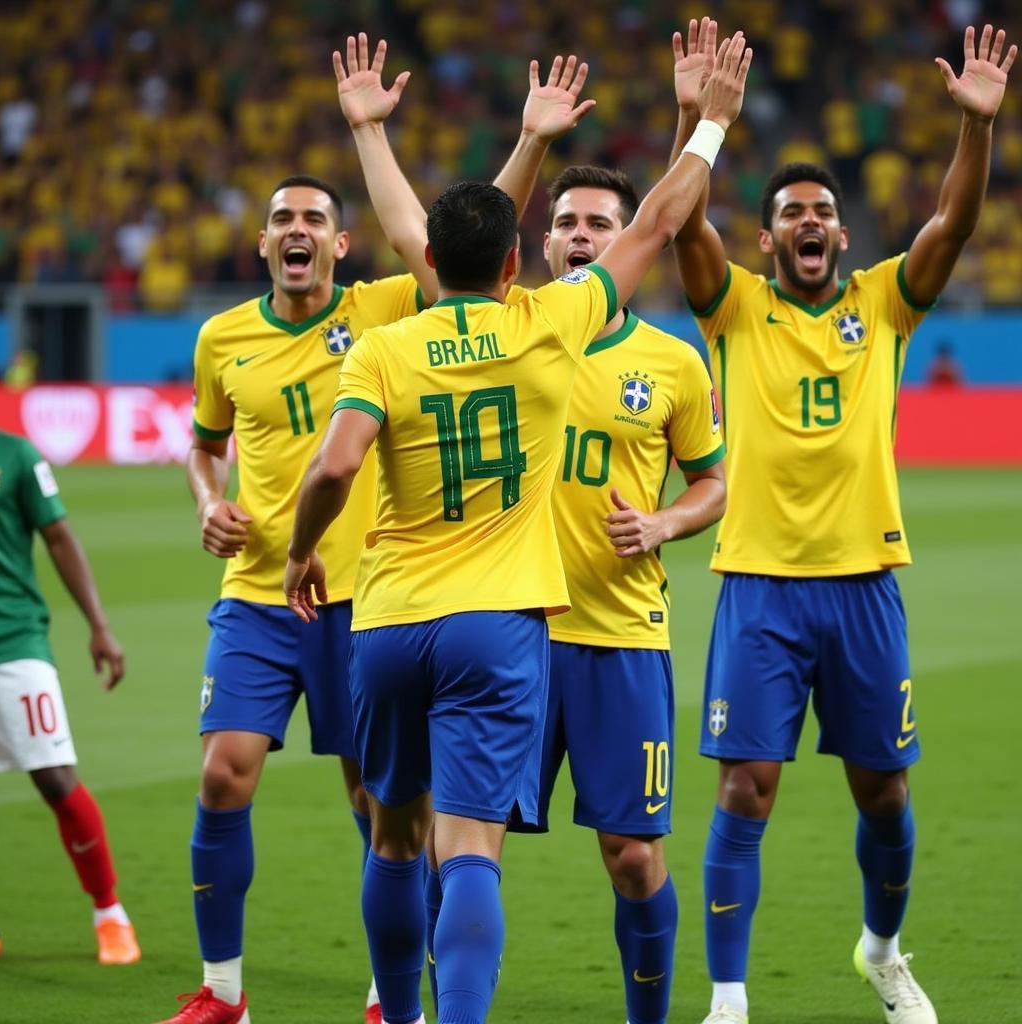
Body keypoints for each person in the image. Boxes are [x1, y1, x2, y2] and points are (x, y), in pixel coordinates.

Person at [283, 33, 752, 1024]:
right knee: (468, 852)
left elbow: (334, 460)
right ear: (520, 256)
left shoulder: (387, 340)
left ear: (432, 269)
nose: (582, 237)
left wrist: (369, 130)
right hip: (502, 625)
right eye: (563, 224)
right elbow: (664, 222)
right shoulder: (551, 324)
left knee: (396, 837)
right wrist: (710, 120)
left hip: (406, 617)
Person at [671, 20, 1016, 1024]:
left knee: (884, 797)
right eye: (790, 214)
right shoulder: (731, 306)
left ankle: (881, 950)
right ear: (768, 236)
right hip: (760, 590)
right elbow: (682, 223)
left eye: (822, 210)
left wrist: (975, 130)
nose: (810, 223)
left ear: (841, 233)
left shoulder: (884, 303)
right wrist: (699, 121)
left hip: (865, 586)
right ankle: (728, 998)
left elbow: (949, 224)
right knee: (745, 792)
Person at [155, 42, 439, 1023]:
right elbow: (202, 444)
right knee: (223, 769)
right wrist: (206, 498)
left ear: (340, 245)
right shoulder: (221, 338)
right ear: (265, 243)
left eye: (315, 218)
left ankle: (385, 987)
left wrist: (372, 130)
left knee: (375, 799)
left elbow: (442, 250)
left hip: (367, 596)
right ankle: (222, 991)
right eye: (283, 218)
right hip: (258, 593)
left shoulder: (382, 311)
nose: (298, 229)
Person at [0, 429, 137, 965]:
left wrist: (99, 625)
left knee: (55, 775)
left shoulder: (16, 455)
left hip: (14, 640)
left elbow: (58, 536)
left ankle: (110, 915)